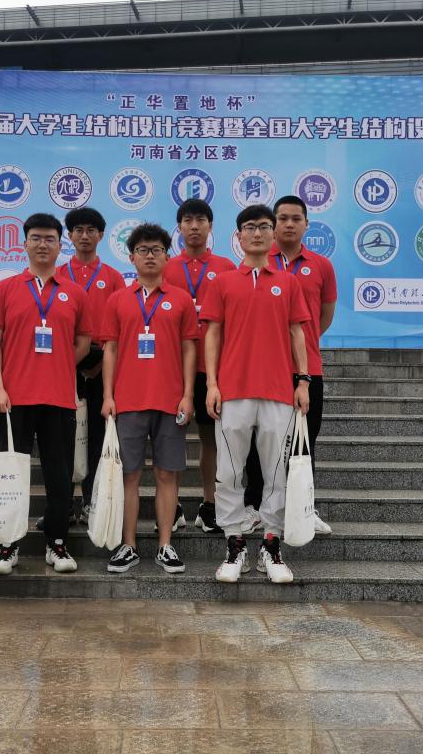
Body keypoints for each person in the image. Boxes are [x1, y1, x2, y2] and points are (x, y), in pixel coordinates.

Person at [200, 204, 310, 584]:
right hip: (233, 391)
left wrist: (303, 381)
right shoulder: (222, 282)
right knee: (229, 473)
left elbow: (298, 333)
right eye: (250, 227)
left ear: (273, 233)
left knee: (276, 474)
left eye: (264, 226)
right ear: (239, 236)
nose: (258, 233)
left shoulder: (288, 283)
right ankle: (234, 545)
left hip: (278, 392)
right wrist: (212, 384)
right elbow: (212, 334)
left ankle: (271, 545)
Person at [0, 213, 92, 575]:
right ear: (25, 243)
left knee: (59, 477)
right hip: (13, 399)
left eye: (49, 239)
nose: (42, 244)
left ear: (60, 246)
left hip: (59, 399)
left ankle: (56, 543)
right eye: (36, 238)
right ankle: (7, 546)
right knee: (9, 475)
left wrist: (58, 364)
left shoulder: (74, 293)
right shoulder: (6, 289)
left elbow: (83, 342)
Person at [100, 223, 197, 574]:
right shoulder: (117, 299)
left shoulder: (181, 299)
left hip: (170, 401)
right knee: (129, 475)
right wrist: (108, 395)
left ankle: (165, 545)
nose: (150, 255)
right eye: (143, 250)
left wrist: (187, 394)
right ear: (132, 257)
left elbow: (189, 348)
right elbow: (110, 349)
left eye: (157, 250)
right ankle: (128, 545)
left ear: (167, 256)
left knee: (167, 474)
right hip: (128, 401)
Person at [243, 195, 338, 535]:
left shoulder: (321, 266)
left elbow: (324, 315)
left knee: (304, 440)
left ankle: (303, 508)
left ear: (306, 224)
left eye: (296, 219)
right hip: (264, 369)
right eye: (282, 218)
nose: (288, 224)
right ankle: (255, 507)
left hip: (306, 368)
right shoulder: (257, 261)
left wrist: (302, 346)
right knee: (259, 442)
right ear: (273, 225)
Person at [162, 199, 237, 534]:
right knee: (170, 438)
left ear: (210, 226)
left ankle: (209, 504)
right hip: (170, 366)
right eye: (188, 220)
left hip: (212, 368)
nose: (194, 226)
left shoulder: (226, 267)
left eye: (201, 220)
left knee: (211, 439)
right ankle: (172, 505)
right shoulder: (165, 267)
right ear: (179, 227)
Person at [53, 207, 125, 524]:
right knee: (62, 436)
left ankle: (91, 501)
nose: (84, 236)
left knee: (96, 434)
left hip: (101, 364)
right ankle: (64, 503)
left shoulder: (113, 278)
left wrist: (102, 365)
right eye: (78, 230)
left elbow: (123, 326)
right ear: (69, 235)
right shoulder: (56, 275)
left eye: (91, 230)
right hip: (62, 363)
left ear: (101, 235)